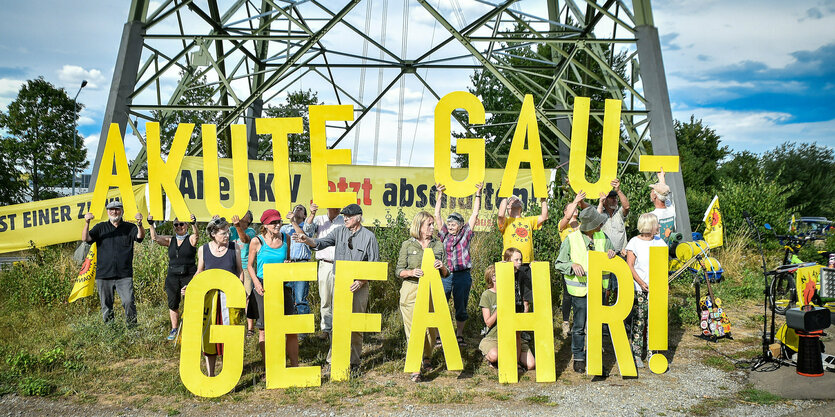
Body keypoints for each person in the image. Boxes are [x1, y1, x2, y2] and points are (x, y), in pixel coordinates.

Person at [294, 203, 380, 377]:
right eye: (345, 216)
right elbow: (320, 243)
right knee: (336, 324)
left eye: (349, 216)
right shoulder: (339, 232)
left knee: (356, 326)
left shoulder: (369, 237)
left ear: (358, 217)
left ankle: (354, 363)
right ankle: (334, 361)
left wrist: (361, 280)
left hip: (358, 286)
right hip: (340, 284)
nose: (345, 218)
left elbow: (375, 264)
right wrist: (306, 239)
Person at [554, 206, 616, 373]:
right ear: (590, 225)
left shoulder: (603, 237)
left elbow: (612, 255)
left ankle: (595, 358)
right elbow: (559, 263)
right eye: (598, 222)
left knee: (596, 326)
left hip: (599, 291)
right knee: (579, 326)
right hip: (580, 291)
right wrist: (572, 265)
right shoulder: (571, 239)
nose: (601, 224)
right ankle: (579, 358)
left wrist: (612, 253)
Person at [395, 211, 449, 382]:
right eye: (429, 224)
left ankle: (427, 356)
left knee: (430, 330)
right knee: (412, 330)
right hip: (411, 289)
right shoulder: (407, 245)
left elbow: (447, 272)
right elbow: (398, 271)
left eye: (433, 224)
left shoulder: (438, 244)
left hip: (433, 290)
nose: (433, 227)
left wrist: (441, 267)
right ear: (419, 226)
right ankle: (415, 367)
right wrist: (411, 272)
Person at [434, 182, 482, 345]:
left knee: (461, 306)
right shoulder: (444, 235)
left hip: (462, 275)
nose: (451, 225)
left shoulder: (466, 234)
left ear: (461, 225)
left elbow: (475, 214)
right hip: (446, 275)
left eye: (454, 223)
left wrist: (477, 193)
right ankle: (440, 334)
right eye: (450, 223)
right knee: (442, 304)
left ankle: (459, 334)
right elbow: (437, 216)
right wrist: (440, 196)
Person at [81, 200, 145, 324]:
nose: (114, 212)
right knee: (106, 305)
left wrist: (140, 224)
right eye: (111, 209)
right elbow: (86, 238)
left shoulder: (130, 227)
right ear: (107, 212)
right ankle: (110, 331)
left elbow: (140, 237)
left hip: (124, 275)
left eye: (117, 209)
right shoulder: (100, 227)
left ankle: (132, 328)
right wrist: (87, 222)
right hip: (104, 275)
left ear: (122, 211)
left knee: (128, 302)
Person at [194, 217, 243, 377]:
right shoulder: (203, 249)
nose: (227, 235)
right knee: (209, 337)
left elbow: (240, 271)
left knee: (230, 335)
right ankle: (211, 374)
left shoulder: (234, 248)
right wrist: (191, 286)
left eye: (228, 232)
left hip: (230, 300)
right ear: (213, 233)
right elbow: (200, 271)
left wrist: (239, 289)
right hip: (210, 300)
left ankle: (230, 374)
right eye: (223, 233)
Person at [247, 209, 296, 365]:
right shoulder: (257, 241)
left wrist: (288, 265)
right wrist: (256, 283)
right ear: (265, 225)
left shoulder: (286, 238)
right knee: (264, 329)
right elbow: (249, 266)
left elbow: (287, 261)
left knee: (290, 326)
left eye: (279, 221)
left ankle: (295, 365)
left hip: (282, 285)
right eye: (273, 222)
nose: (277, 224)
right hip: (263, 286)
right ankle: (269, 367)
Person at [147, 213, 199, 340]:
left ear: (186, 225)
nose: (179, 226)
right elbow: (155, 238)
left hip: (189, 275)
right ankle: (174, 329)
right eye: (176, 224)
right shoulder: (171, 240)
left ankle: (192, 328)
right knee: (173, 303)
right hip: (173, 276)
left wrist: (194, 224)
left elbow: (196, 235)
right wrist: (151, 224)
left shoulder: (190, 239)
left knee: (192, 302)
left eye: (182, 224)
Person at [625, 213, 667, 368]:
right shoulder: (634, 242)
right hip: (640, 289)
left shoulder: (660, 242)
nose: (659, 227)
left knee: (655, 321)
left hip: (657, 289)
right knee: (639, 321)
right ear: (649, 226)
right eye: (657, 224)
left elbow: (663, 265)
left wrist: (664, 283)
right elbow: (629, 266)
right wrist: (641, 283)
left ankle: (653, 352)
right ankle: (636, 354)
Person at [478, 264, 536, 372]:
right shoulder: (487, 295)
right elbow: (488, 323)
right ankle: (490, 359)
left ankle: (513, 359)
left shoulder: (513, 293)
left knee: (531, 364)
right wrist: (500, 307)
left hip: (515, 337)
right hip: (493, 338)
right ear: (493, 277)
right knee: (495, 355)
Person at [311, 203, 344, 341]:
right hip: (325, 263)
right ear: (328, 206)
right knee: (325, 297)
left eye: (338, 206)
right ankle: (326, 329)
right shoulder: (319, 219)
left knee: (340, 298)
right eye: (334, 206)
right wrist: (312, 214)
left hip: (341, 263)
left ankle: (338, 328)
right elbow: (307, 231)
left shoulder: (344, 220)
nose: (337, 208)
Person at [557, 190, 586, 338]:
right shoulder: (563, 225)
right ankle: (566, 322)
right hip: (568, 263)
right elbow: (568, 217)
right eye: (570, 207)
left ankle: (581, 324)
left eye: (576, 207)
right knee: (568, 294)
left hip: (582, 263)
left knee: (582, 294)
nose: (574, 209)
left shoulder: (581, 225)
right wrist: (575, 201)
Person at [598, 178, 630, 305]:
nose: (614, 200)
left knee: (619, 287)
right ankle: (604, 314)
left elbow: (626, 206)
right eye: (611, 198)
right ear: (605, 201)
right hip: (605, 255)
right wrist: (600, 202)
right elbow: (595, 218)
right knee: (606, 289)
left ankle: (619, 316)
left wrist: (619, 190)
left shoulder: (619, 214)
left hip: (621, 255)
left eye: (615, 197)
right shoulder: (601, 213)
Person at [281, 204, 316, 318]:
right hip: (288, 263)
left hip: (302, 263)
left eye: (300, 209)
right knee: (288, 297)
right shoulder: (285, 228)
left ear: (305, 215)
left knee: (300, 298)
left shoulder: (308, 226)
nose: (297, 209)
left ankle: (302, 332)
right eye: (296, 208)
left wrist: (293, 222)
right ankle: (290, 328)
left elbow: (304, 236)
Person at [229, 211, 258, 337]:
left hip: (246, 268)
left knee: (247, 297)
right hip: (231, 267)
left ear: (249, 219)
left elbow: (245, 240)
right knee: (230, 297)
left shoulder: (251, 231)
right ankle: (232, 326)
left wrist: (237, 226)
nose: (241, 214)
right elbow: (217, 234)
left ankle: (250, 329)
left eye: (245, 213)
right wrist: (217, 222)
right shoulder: (230, 229)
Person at [497, 194, 548, 263]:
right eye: (513, 200)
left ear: (522, 207)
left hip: (527, 262)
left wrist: (543, 199)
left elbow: (544, 217)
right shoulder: (506, 221)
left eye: (519, 200)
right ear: (507, 206)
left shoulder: (528, 220)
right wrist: (505, 195)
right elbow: (500, 215)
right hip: (510, 261)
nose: (517, 200)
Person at [649, 169, 676, 245]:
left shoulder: (651, 216)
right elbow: (665, 194)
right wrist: (661, 178)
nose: (650, 192)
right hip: (667, 249)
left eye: (652, 191)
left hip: (656, 252)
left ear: (654, 196)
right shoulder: (671, 210)